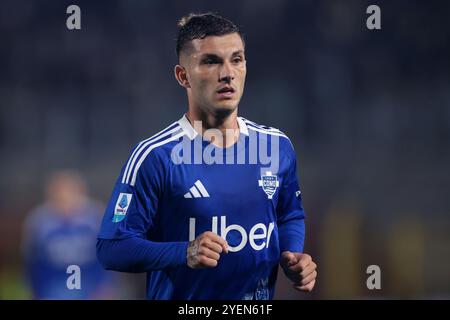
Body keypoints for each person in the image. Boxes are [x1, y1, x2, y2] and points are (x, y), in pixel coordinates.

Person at [96, 12, 317, 300]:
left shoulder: (276, 146)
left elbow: (290, 214)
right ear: (183, 76)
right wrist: (184, 252)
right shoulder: (156, 157)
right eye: (211, 61)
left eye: (236, 59)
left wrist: (292, 254)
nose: (227, 73)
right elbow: (111, 248)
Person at [22, 170, 116, 299]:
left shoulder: (96, 217)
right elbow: (31, 261)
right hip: (52, 287)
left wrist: (103, 287)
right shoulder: (39, 221)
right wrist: (36, 290)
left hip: (89, 285)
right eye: (60, 194)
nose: (65, 198)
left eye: (69, 192)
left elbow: (108, 255)